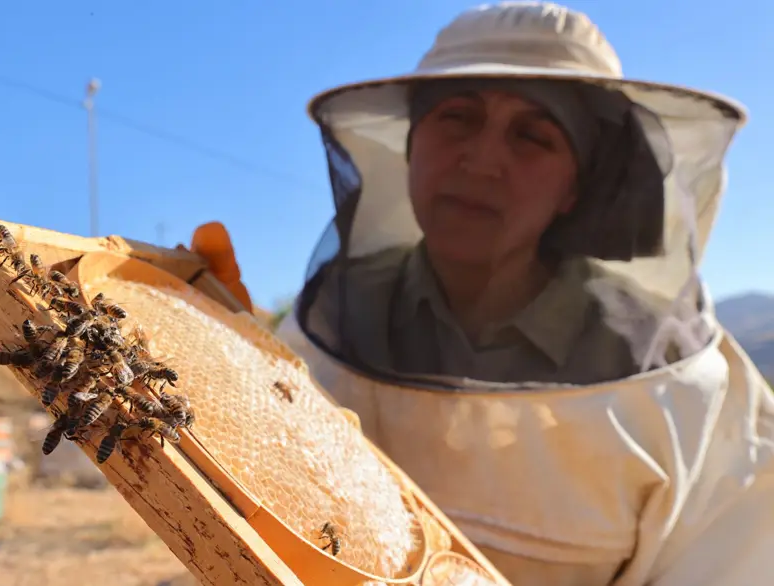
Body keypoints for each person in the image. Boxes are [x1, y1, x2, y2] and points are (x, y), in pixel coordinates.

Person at [187, 3, 774, 585]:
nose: (483, 159)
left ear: (577, 185)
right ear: (412, 145)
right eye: (457, 118)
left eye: (533, 136)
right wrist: (216, 358)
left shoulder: (689, 391)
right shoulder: (328, 326)